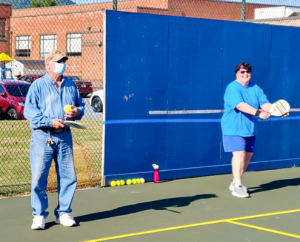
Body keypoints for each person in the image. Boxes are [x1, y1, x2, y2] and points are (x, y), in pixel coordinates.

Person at [24, 49, 85, 229]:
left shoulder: (70, 84)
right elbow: (30, 113)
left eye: (63, 61)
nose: (62, 64)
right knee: (38, 179)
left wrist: (77, 112)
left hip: (65, 137)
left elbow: (80, 107)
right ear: (47, 64)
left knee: (68, 177)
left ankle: (63, 213)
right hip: (43, 137)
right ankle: (39, 215)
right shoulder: (37, 86)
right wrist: (50, 121)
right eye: (58, 61)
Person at [221, 62, 288, 198]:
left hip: (249, 128)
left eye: (248, 72)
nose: (246, 74)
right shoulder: (233, 88)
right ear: (237, 73)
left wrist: (277, 110)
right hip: (233, 127)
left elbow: (265, 104)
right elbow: (240, 106)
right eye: (242, 72)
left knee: (247, 156)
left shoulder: (255, 88)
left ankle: (235, 181)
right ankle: (238, 186)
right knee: (239, 154)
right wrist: (258, 113)